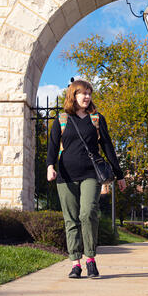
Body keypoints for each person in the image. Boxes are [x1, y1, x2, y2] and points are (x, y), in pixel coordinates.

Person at [46, 79, 126, 279]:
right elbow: (53, 146)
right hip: (66, 176)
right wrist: (50, 167)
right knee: (71, 220)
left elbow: (108, 147)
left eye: (89, 93)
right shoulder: (62, 119)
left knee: (88, 213)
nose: (87, 97)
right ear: (73, 95)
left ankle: (90, 259)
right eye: (83, 93)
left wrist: (120, 174)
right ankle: (75, 263)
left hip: (91, 174)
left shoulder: (97, 119)